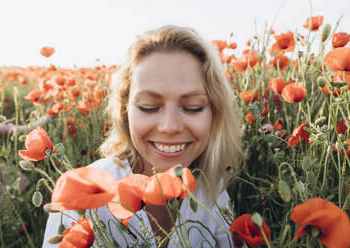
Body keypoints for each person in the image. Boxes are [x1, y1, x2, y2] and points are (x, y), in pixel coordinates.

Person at [43, 25, 243, 248]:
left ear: (214, 113)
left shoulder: (213, 190)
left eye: (192, 107)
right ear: (124, 110)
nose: (169, 127)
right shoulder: (82, 194)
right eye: (148, 107)